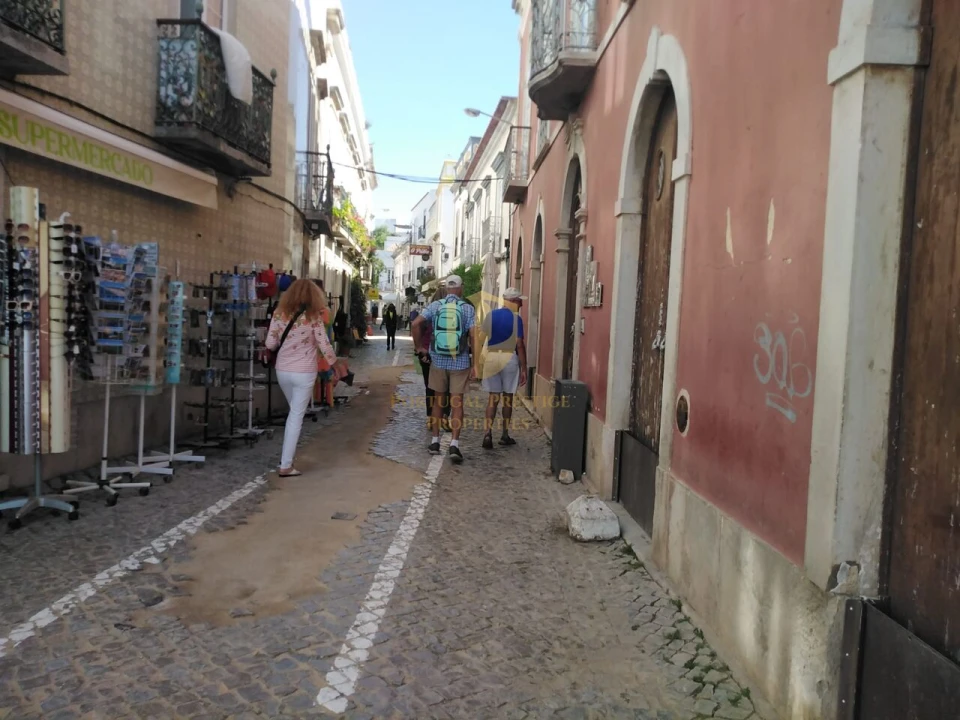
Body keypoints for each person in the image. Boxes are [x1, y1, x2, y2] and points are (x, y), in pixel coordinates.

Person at [265, 278, 340, 477]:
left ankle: (288, 459)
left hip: (282, 371)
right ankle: (286, 465)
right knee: (295, 416)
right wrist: (336, 366)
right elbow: (324, 345)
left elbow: (270, 344)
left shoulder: (279, 314)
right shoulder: (314, 317)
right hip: (304, 372)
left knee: (294, 413)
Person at [412, 275, 477, 464]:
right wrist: (475, 364)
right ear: (461, 288)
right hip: (460, 361)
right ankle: (455, 444)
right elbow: (474, 336)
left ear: (446, 289)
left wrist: (419, 348)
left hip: (438, 361)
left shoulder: (435, 306)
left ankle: (434, 442)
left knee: (438, 401)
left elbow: (416, 324)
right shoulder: (467, 308)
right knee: (457, 403)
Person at [480, 288, 528, 449]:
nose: (521, 303)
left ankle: (487, 433)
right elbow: (519, 343)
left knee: (493, 398)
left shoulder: (491, 315)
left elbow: (481, 338)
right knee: (507, 398)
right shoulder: (517, 319)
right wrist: (524, 368)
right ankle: (505, 434)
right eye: (519, 300)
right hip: (509, 357)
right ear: (513, 301)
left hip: (492, 356)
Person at [417, 289, 452, 432]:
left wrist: (419, 348)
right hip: (446, 354)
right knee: (448, 388)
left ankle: (430, 419)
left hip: (426, 354)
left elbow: (417, 328)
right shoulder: (451, 314)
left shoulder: (427, 314)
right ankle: (444, 416)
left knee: (430, 388)